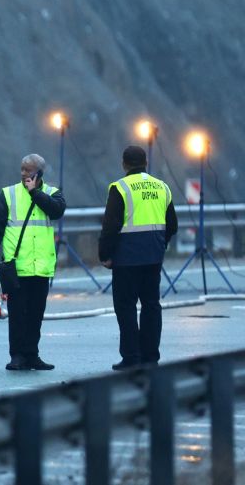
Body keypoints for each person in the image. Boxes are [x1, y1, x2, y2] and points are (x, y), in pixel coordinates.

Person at [0, 153, 66, 371]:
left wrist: (35, 192)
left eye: (28, 170)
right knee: (18, 314)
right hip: (17, 266)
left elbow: (57, 211)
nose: (23, 173)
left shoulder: (52, 193)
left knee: (36, 314)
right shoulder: (8, 194)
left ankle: (32, 354)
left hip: (41, 267)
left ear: (39, 173)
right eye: (22, 169)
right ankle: (17, 355)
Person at [100, 145, 178, 370]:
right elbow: (172, 224)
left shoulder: (120, 187)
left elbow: (111, 226)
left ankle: (131, 357)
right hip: (153, 257)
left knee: (125, 307)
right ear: (145, 163)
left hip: (126, 259)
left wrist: (105, 254)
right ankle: (151, 357)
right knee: (151, 305)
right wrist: (160, 245)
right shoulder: (162, 187)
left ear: (124, 164)